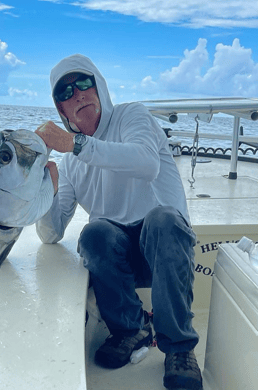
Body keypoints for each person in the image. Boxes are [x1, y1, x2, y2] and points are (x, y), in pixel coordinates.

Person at [35, 54, 203, 390]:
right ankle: (131, 330)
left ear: (99, 87)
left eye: (84, 83)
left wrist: (74, 144)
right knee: (95, 232)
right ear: (61, 111)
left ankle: (179, 349)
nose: (78, 93)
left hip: (168, 252)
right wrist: (43, 192)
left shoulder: (132, 116)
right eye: (66, 92)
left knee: (163, 219)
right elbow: (51, 234)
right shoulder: (70, 165)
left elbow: (145, 163)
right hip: (121, 263)